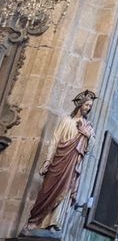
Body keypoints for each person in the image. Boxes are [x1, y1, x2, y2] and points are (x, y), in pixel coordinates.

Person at [24, 90, 97, 232]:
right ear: (80, 104)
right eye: (87, 104)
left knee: (65, 191)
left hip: (72, 163)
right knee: (47, 190)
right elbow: (55, 140)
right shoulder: (66, 121)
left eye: (90, 106)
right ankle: (35, 220)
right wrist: (47, 161)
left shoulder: (88, 126)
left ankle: (52, 222)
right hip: (59, 160)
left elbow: (92, 147)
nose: (88, 108)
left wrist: (86, 133)